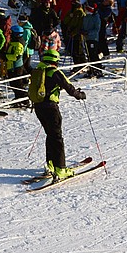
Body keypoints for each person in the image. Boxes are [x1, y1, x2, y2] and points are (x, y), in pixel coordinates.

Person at [29, 50, 87, 181]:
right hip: (51, 108)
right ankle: (60, 168)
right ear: (55, 61)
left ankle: (50, 165)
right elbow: (70, 89)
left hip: (38, 107)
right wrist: (81, 95)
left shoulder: (38, 71)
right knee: (57, 138)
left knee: (50, 135)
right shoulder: (55, 72)